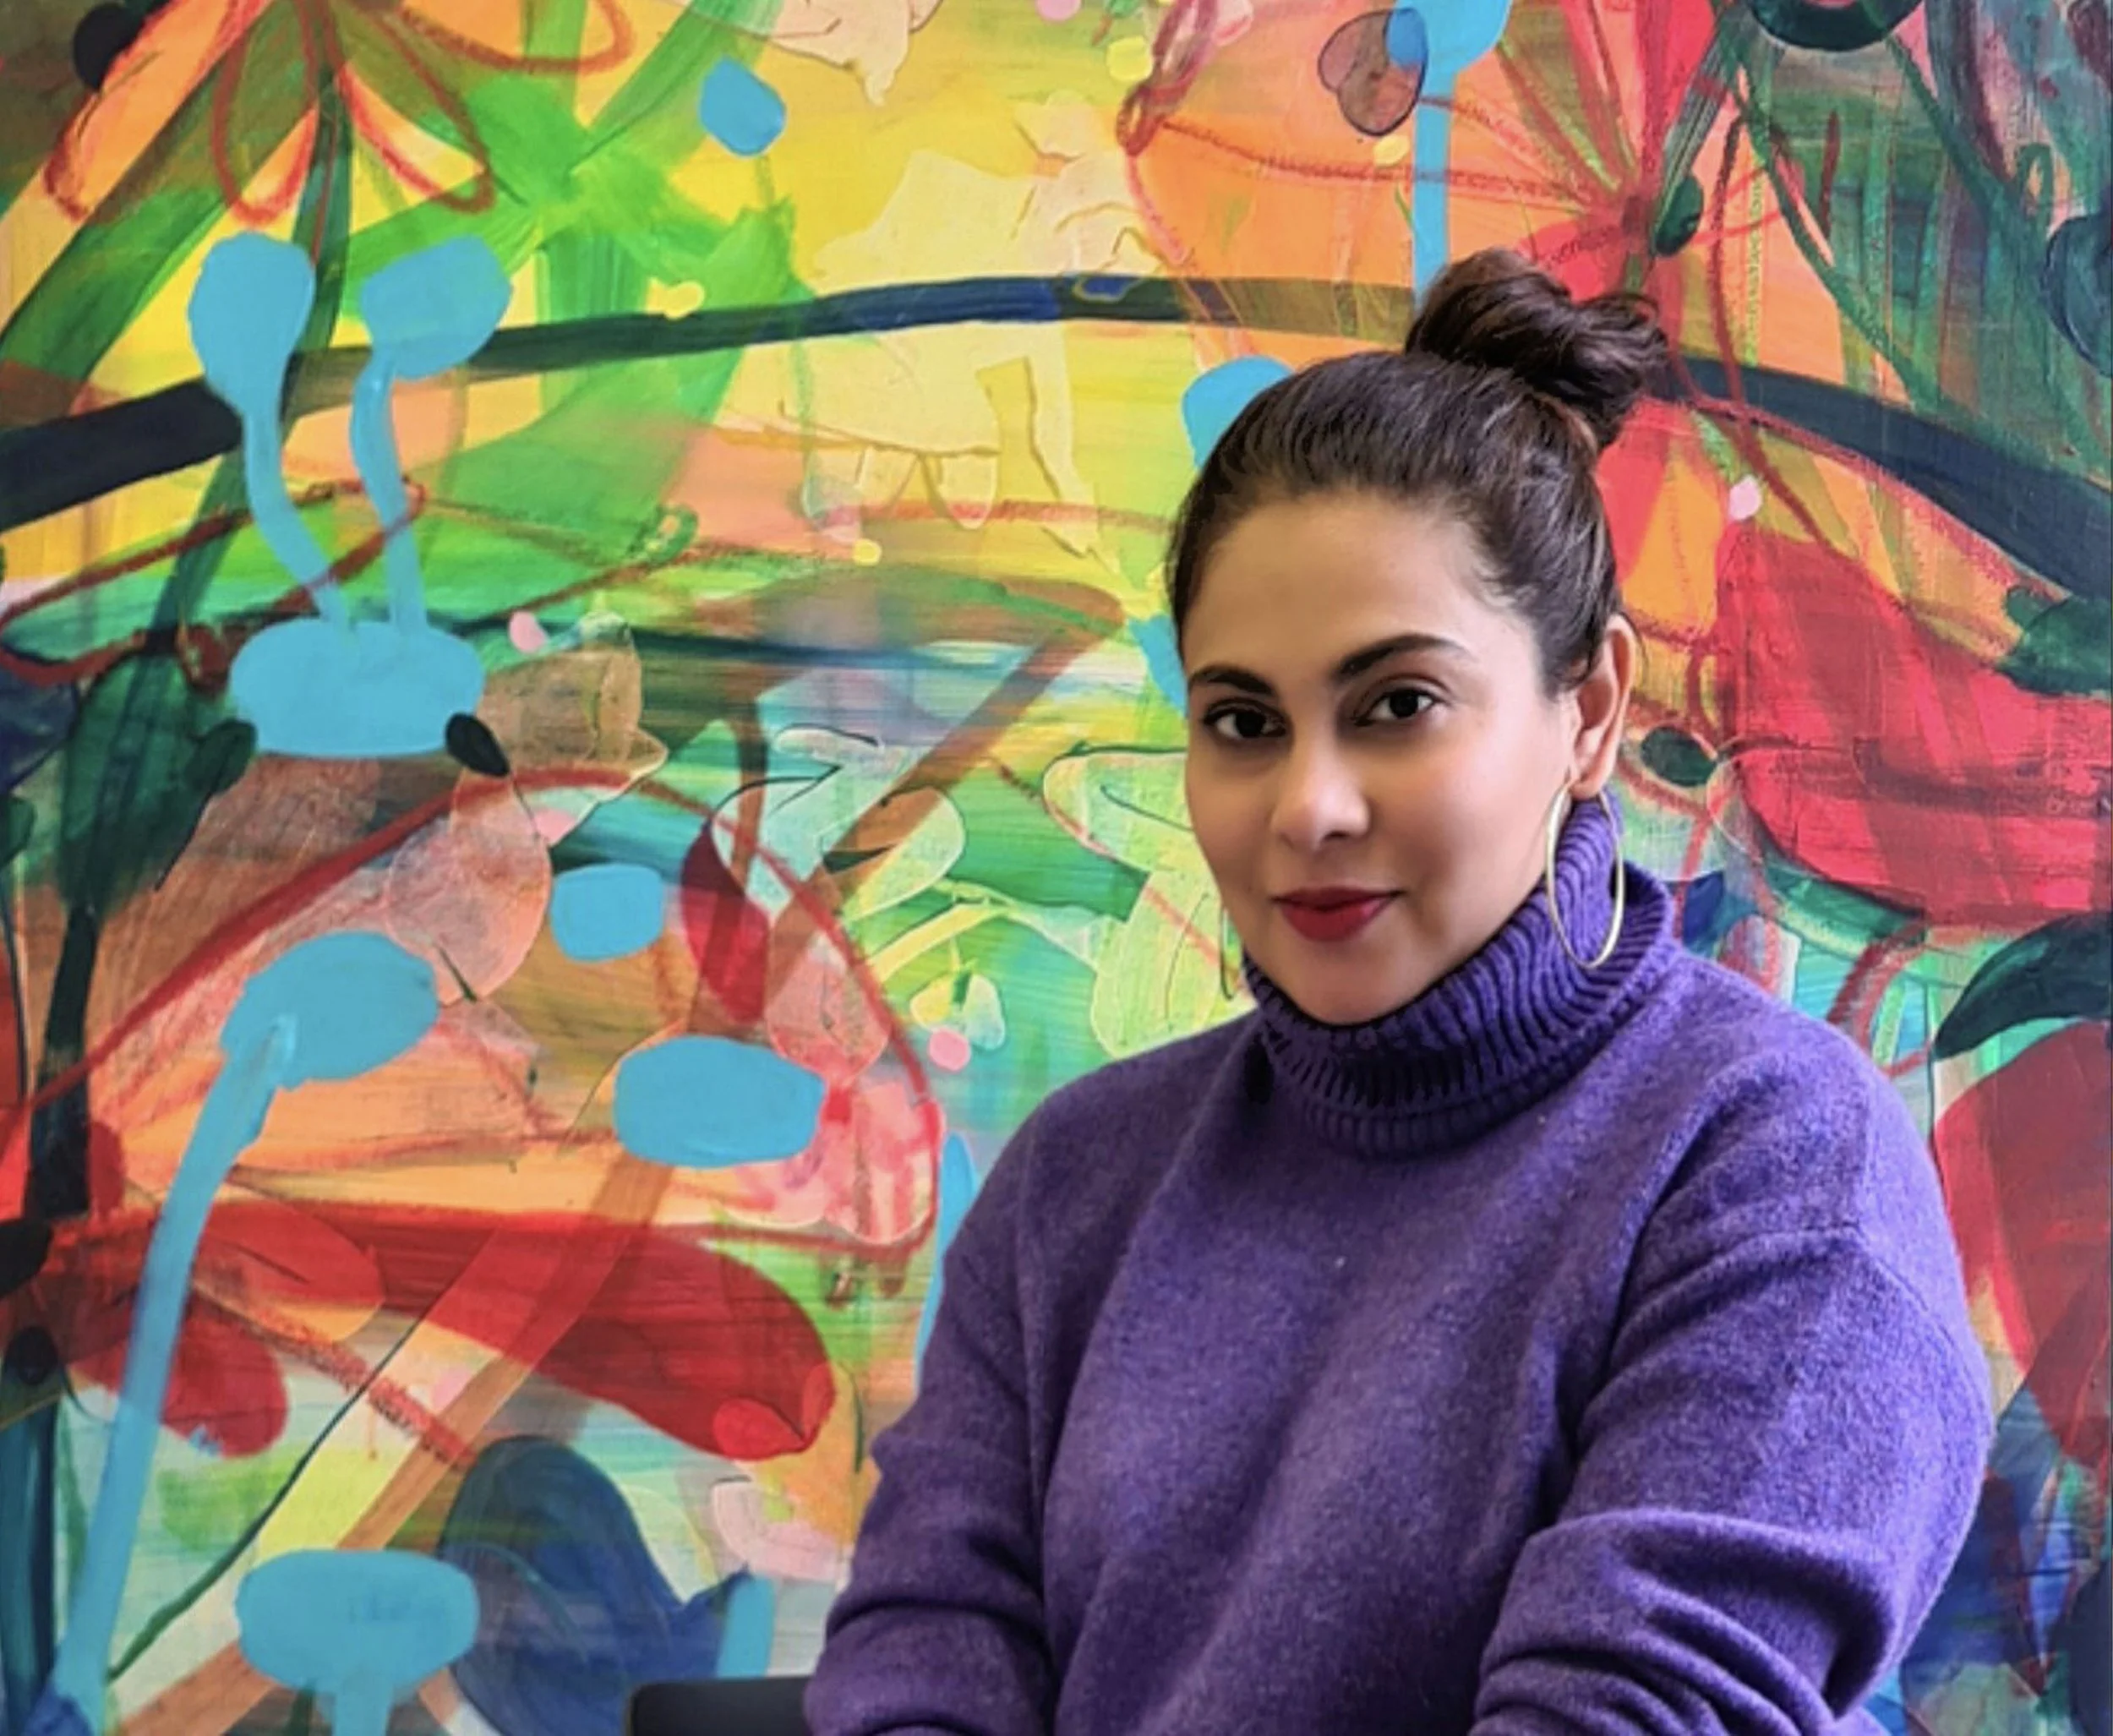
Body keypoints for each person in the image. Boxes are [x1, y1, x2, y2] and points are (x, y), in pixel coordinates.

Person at [804, 249, 1992, 1734]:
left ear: (1591, 709)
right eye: (1244, 721)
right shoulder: (1073, 1185)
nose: (1308, 805)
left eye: (1398, 705)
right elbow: (920, 1668)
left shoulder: (1774, 1160)